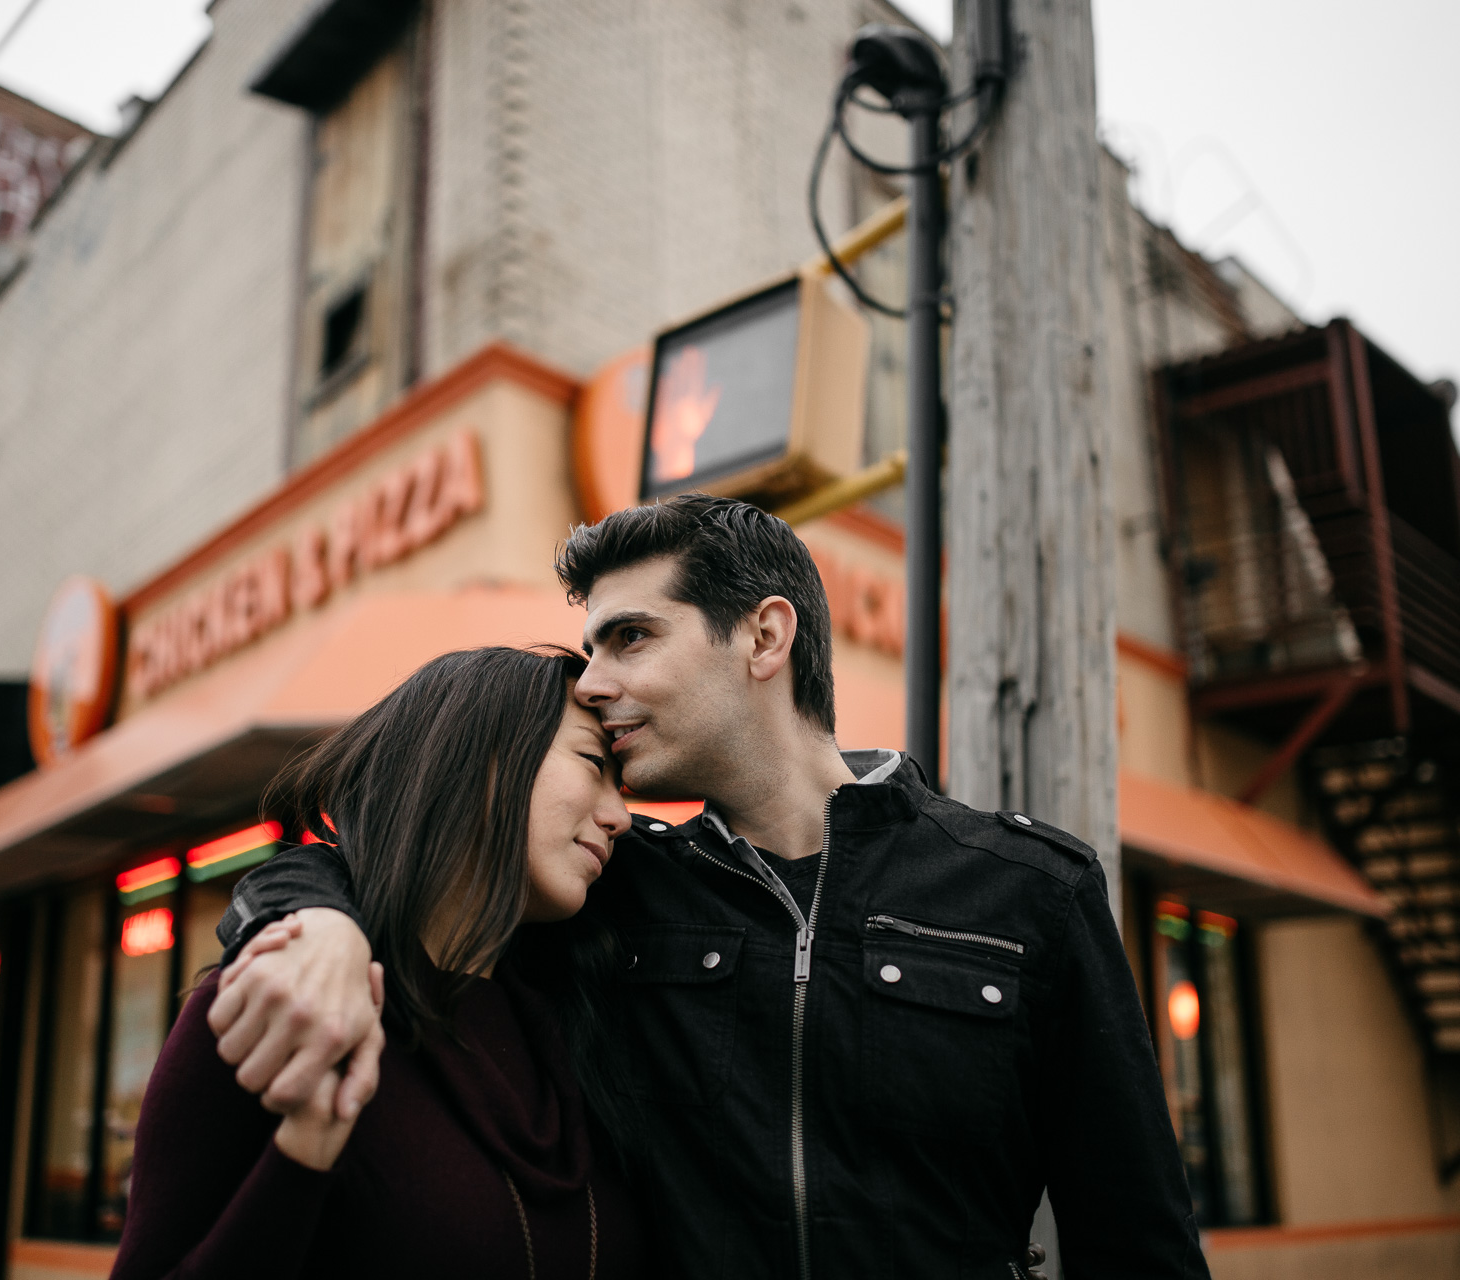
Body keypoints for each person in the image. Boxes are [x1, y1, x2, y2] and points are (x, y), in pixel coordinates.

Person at [208, 495, 1210, 1279]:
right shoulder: (613, 887)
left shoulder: (1030, 890)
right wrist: (313, 922)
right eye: (592, 643)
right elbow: (392, 863)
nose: (592, 680)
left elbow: (1140, 1246)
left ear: (765, 638)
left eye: (630, 637)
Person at [111, 646, 647, 1280]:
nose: (621, 817)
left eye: (624, 787)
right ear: (476, 761)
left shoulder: (582, 1024)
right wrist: (302, 1157)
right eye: (592, 763)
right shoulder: (284, 1003)